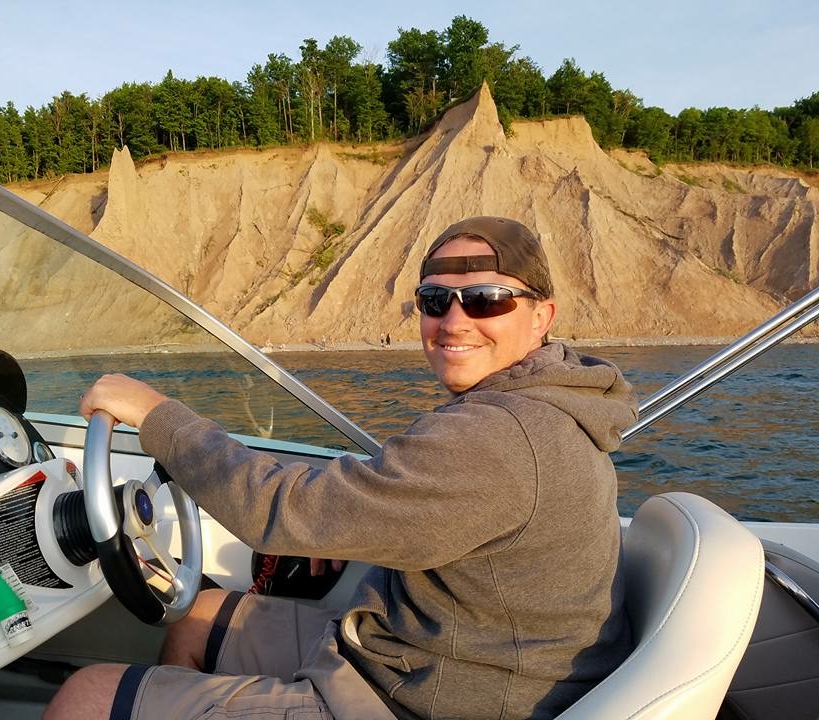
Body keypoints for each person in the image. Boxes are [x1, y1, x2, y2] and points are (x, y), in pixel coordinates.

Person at [44, 216, 637, 720]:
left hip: (428, 698)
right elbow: (426, 492)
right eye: (435, 301)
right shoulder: (542, 401)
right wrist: (349, 521)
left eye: (486, 300)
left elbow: (275, 512)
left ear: (541, 315)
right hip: (426, 652)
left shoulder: (500, 435)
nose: (454, 321)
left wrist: (157, 417)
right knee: (197, 615)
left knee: (87, 697)